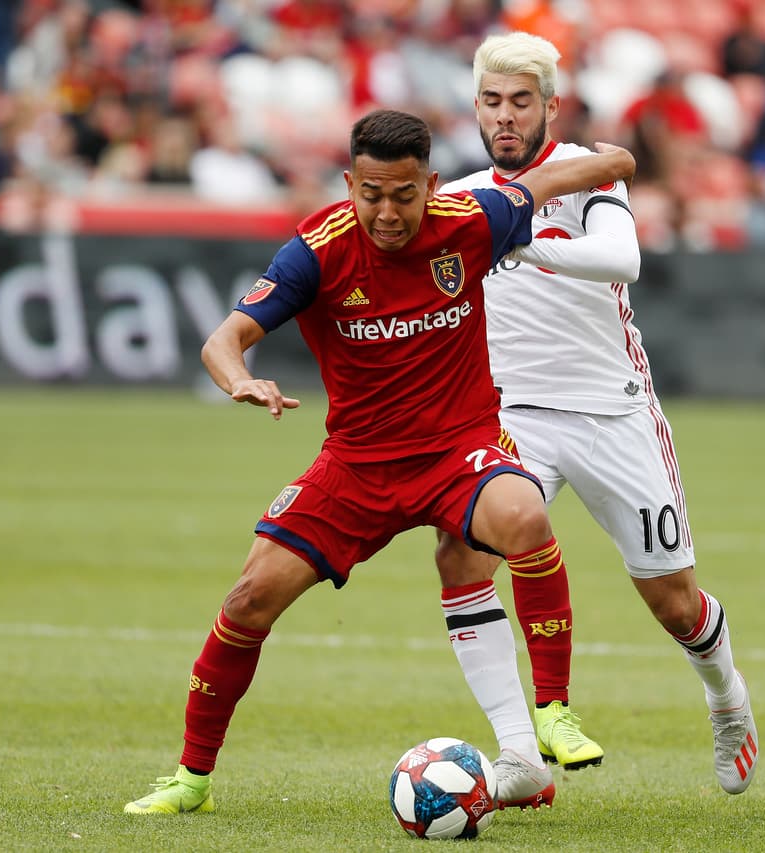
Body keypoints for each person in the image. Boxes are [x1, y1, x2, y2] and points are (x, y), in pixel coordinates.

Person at [123, 108, 635, 814]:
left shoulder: (471, 219)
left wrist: (616, 165)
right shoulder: (317, 248)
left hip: (459, 447)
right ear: (349, 183)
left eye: (402, 195)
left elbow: (545, 180)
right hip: (357, 465)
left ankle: (548, 715)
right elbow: (224, 338)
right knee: (248, 600)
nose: (387, 213)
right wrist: (239, 378)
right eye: (370, 194)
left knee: (521, 514)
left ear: (429, 184)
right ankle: (191, 779)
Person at [434, 32, 758, 795]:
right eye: (492, 102)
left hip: (614, 413)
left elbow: (624, 259)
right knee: (463, 552)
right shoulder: (459, 197)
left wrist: (518, 244)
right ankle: (520, 751)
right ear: (475, 108)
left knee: (674, 601)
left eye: (521, 101)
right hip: (517, 418)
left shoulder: (584, 176)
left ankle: (727, 697)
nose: (506, 117)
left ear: (551, 105)